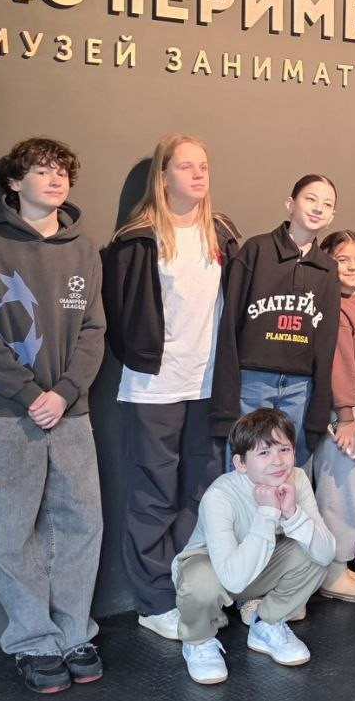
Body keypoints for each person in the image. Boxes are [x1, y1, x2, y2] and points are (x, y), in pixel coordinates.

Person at [0, 137, 107, 692]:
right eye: (42, 170)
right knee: (11, 530)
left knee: (80, 525)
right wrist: (27, 394)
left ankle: (74, 634)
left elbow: (94, 330)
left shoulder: (83, 248)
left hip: (71, 411)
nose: (56, 178)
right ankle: (34, 641)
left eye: (62, 170)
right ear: (15, 183)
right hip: (6, 413)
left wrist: (63, 393)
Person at [102, 133, 239, 641]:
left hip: (209, 387)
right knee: (152, 497)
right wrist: (143, 357)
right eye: (186, 167)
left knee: (201, 495)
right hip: (153, 389)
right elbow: (116, 315)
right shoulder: (136, 239)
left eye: (203, 165)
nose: (198, 174)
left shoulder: (222, 233)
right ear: (163, 177)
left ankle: (193, 593)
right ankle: (155, 602)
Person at [174, 409, 335, 685]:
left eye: (284, 449)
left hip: (258, 567)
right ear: (240, 463)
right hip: (216, 571)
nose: (278, 461)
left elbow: (326, 552)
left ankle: (266, 623)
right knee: (199, 582)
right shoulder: (219, 495)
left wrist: (293, 513)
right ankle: (198, 641)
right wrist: (268, 512)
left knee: (313, 552)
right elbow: (232, 579)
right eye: (264, 453)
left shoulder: (296, 479)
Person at [212, 175, 341, 467]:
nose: (318, 208)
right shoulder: (256, 251)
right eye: (310, 199)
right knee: (246, 471)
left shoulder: (328, 269)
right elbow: (229, 324)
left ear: (332, 217)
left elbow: (326, 343)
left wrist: (319, 405)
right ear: (290, 204)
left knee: (288, 473)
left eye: (327, 204)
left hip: (300, 388)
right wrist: (226, 398)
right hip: (252, 382)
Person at [310, 230, 355, 604]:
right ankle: (332, 570)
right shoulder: (335, 305)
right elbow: (338, 365)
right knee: (341, 487)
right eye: (342, 259)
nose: (352, 266)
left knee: (350, 485)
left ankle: (339, 563)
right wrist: (346, 416)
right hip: (346, 406)